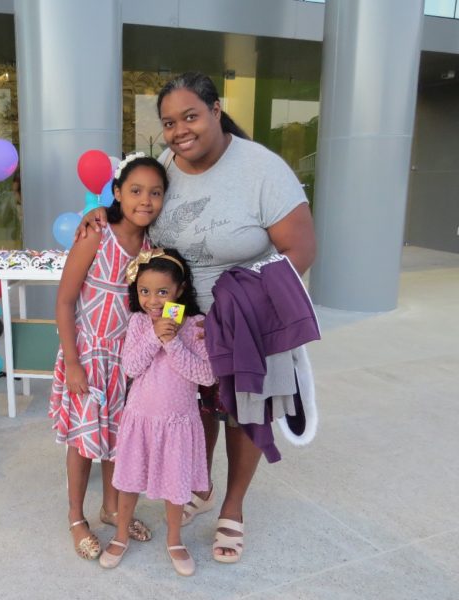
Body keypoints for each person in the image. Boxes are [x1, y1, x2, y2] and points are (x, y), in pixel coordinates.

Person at [76, 71, 317, 563]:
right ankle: (198, 487)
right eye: (169, 123)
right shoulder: (166, 164)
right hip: (181, 313)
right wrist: (101, 214)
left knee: (244, 412)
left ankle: (232, 508)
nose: (179, 131)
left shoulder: (262, 169)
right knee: (195, 405)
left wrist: (240, 303)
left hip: (247, 318)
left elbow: (302, 250)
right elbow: (137, 206)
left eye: (190, 116)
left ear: (216, 110)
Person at [51, 153, 167, 559]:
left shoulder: (153, 249)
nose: (145, 200)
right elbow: (64, 302)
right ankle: (75, 517)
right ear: (117, 193)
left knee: (119, 439)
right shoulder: (97, 235)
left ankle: (112, 508)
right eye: (135, 190)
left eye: (155, 192)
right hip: (89, 357)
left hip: (129, 361)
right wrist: (73, 363)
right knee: (83, 441)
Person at [99, 248, 215, 577]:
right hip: (141, 419)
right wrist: (154, 335)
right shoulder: (139, 322)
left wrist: (173, 341)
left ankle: (175, 539)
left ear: (179, 290)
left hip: (178, 422)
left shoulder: (195, 325)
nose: (152, 300)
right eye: (144, 291)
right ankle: (121, 534)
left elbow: (206, 376)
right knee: (129, 481)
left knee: (175, 484)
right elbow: (131, 367)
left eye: (162, 292)